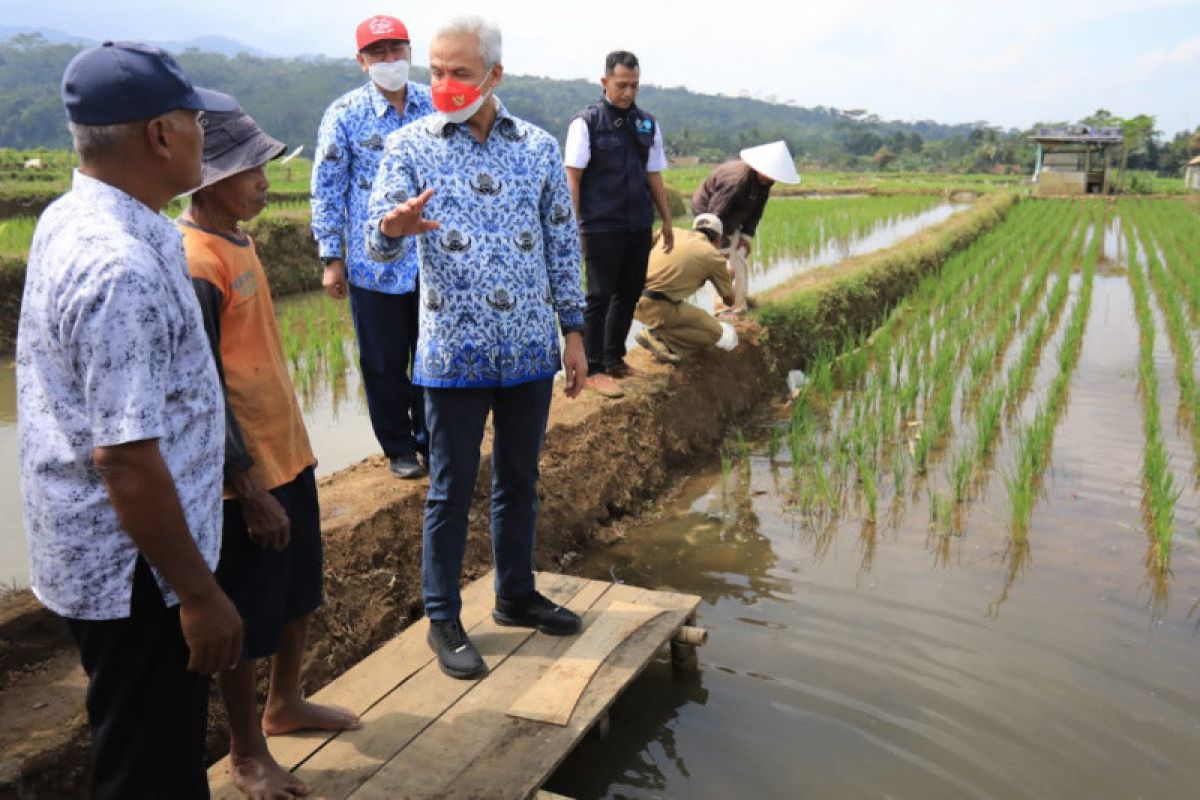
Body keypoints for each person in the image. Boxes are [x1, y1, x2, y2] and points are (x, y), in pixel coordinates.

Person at [16, 42, 243, 799]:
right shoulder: (120, 265)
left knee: (152, 743)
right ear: (159, 136)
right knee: (149, 764)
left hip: (114, 554)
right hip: (136, 570)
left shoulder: (74, 215)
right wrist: (201, 595)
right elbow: (125, 457)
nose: (204, 138)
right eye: (196, 121)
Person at [366, 16, 588, 680]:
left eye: (459, 72)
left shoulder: (539, 149)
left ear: (494, 75)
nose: (443, 83)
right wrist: (393, 227)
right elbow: (377, 241)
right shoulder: (409, 146)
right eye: (434, 71)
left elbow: (561, 242)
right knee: (450, 490)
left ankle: (515, 595)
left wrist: (574, 332)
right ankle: (442, 618)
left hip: (527, 351)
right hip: (450, 353)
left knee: (520, 482)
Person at [180, 108, 362, 800]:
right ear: (210, 180)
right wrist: (245, 485)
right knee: (248, 616)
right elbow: (200, 390)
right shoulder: (195, 262)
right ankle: (246, 748)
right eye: (248, 171)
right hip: (245, 475)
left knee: (298, 592)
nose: (263, 181)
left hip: (290, 452)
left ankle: (285, 704)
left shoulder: (239, 239)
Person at [311, 15, 435, 479]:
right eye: (378, 53)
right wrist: (331, 258)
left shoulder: (432, 106)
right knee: (383, 362)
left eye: (396, 51)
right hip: (372, 264)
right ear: (361, 62)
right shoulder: (343, 115)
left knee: (431, 354)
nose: (389, 61)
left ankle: (431, 439)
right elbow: (327, 188)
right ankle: (399, 447)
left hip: (431, 259)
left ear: (409, 52)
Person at [564, 50, 674, 400]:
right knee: (598, 295)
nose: (629, 92)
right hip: (600, 225)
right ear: (605, 82)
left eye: (635, 85)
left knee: (629, 291)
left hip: (638, 223)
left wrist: (667, 220)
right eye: (622, 85)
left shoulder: (646, 123)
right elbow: (574, 178)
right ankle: (594, 367)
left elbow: (653, 173)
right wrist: (573, 226)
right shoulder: (587, 122)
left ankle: (614, 357)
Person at [691, 140, 800, 315]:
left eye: (773, 176)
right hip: (709, 218)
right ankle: (722, 308)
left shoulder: (765, 183)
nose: (771, 178)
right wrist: (722, 247)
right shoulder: (736, 181)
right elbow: (715, 215)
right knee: (720, 266)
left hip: (731, 217)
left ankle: (739, 306)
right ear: (759, 167)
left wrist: (745, 238)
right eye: (769, 174)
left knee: (739, 259)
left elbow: (757, 211)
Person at [634, 213, 739, 362]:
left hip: (630, 299)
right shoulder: (713, 256)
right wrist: (728, 276)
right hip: (657, 307)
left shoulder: (672, 232)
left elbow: (643, 244)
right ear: (718, 240)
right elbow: (729, 301)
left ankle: (658, 332)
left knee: (692, 313)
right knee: (715, 333)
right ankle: (657, 336)